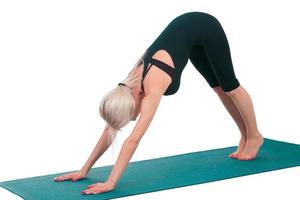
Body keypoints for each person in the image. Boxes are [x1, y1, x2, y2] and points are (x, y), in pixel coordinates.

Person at [53, 11, 264, 195]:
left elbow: (133, 141)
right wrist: (84, 170)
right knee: (218, 89)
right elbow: (109, 129)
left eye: (131, 117)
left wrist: (111, 182)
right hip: (188, 33)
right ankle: (244, 135)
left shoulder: (152, 87)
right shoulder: (125, 89)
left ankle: (254, 135)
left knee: (230, 86)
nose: (133, 119)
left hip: (204, 26)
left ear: (135, 101)